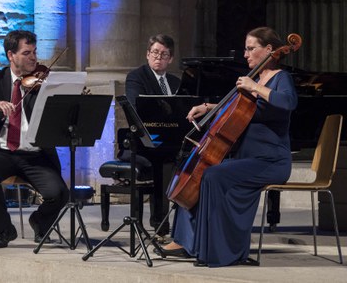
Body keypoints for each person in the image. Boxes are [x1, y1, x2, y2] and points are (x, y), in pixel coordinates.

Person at [154, 27, 298, 266]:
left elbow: (288, 102)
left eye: (251, 48)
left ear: (269, 50)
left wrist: (254, 87)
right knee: (197, 174)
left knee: (213, 175)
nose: (246, 54)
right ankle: (187, 242)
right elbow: (234, 108)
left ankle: (218, 252)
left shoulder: (280, 78)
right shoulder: (255, 78)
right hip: (246, 159)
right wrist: (208, 107)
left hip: (271, 161)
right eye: (245, 48)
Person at [0, 30, 69, 248]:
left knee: (60, 194)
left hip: (34, 155)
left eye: (35, 52)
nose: (33, 58)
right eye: (27, 53)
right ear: (11, 55)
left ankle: (39, 221)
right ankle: (4, 230)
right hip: (0, 152)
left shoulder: (43, 81)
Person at [123, 34, 181, 236]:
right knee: (164, 161)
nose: (159, 57)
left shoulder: (175, 82)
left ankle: (186, 225)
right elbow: (136, 106)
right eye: (155, 52)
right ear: (148, 54)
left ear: (170, 59)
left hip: (170, 139)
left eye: (164, 54)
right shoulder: (137, 76)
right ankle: (160, 224)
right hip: (142, 141)